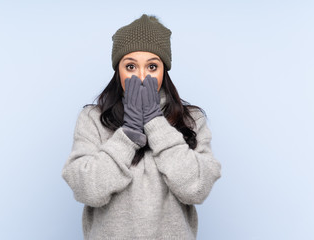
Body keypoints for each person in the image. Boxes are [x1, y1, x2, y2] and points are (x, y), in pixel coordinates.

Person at [61, 13, 222, 240]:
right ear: (118, 70)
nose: (142, 77)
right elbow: (88, 190)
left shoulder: (191, 119)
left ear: (164, 70)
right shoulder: (93, 119)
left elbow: (196, 189)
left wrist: (155, 123)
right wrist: (128, 135)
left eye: (152, 67)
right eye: (131, 66)